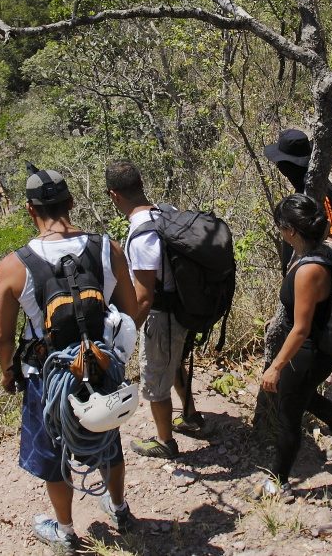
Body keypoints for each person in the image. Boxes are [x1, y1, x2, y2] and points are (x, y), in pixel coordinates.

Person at [0, 168, 139, 554]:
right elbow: (130, 311)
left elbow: (2, 336)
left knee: (53, 448)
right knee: (107, 434)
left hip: (48, 375)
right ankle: (120, 509)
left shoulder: (15, 265)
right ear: (71, 203)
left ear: (29, 210)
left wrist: (9, 373)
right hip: (99, 366)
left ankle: (66, 530)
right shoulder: (107, 248)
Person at [257, 194, 332, 501]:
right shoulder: (319, 253)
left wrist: (275, 366)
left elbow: (301, 329)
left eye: (280, 227)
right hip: (317, 350)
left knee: (288, 415)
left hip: (309, 352)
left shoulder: (308, 269)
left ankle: (279, 482)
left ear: (289, 230)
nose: (279, 232)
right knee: (303, 396)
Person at [105, 159, 205, 459]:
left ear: (114, 195)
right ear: (141, 185)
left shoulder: (141, 235)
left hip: (163, 318)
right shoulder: (166, 212)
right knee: (173, 364)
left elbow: (145, 298)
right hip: (185, 308)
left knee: (155, 380)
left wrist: (124, 339)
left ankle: (165, 442)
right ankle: (190, 416)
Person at [263, 129, 332, 273]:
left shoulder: (321, 191)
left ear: (290, 165)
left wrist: (305, 273)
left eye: (280, 163)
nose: (279, 167)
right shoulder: (303, 187)